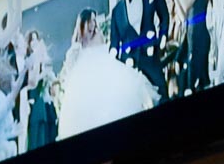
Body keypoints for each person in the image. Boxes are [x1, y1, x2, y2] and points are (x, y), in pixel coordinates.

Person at [57, 8, 156, 140]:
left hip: (102, 77)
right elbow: (69, 69)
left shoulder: (98, 36)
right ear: (83, 23)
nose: (93, 24)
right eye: (90, 21)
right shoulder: (76, 46)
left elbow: (105, 53)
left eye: (94, 20)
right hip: (85, 85)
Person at [109, 0, 170, 98]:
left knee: (162, 95)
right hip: (130, 66)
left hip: (151, 57)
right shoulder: (116, 11)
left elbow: (164, 16)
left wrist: (163, 37)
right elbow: (114, 43)